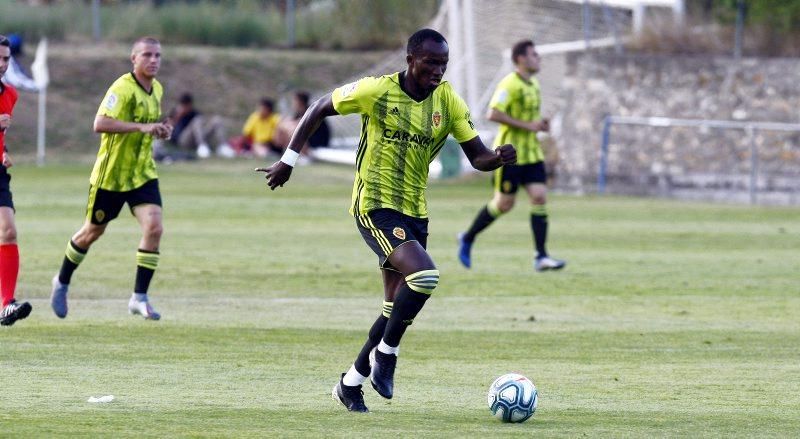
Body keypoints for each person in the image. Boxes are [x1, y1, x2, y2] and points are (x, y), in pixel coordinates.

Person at [256, 29, 516, 413]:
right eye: (430, 63)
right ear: (410, 59)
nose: (437, 71)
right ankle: (387, 355)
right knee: (425, 276)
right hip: (375, 205)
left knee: (394, 306)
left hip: (416, 211)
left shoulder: (448, 101)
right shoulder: (376, 90)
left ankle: (350, 382)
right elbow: (317, 108)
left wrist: (496, 157)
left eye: (443, 64)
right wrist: (288, 161)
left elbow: (476, 156)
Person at [50, 37, 172, 321]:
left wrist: (161, 130)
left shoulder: (157, 89)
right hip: (111, 177)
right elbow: (100, 123)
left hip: (142, 173)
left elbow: (148, 127)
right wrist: (143, 128)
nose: (154, 60)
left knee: (154, 227)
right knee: (92, 232)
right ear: (134, 58)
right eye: (147, 55)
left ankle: (139, 298)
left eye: (158, 55)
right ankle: (62, 281)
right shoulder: (122, 88)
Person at [457, 39, 566, 272]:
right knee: (504, 204)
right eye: (534, 55)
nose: (539, 58)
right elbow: (493, 113)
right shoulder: (510, 84)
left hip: (532, 153)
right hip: (510, 154)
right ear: (521, 59)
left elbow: (531, 122)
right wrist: (528, 125)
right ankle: (467, 237)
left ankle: (541, 256)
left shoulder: (534, 84)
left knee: (539, 196)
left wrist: (541, 125)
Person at [0, 34, 32, 326]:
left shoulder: (11, 93)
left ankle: (7, 304)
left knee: (8, 231)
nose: (2, 64)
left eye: (6, 59)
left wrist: (4, 151)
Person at [166, 92, 231, 158]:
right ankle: (202, 145)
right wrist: (178, 116)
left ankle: (223, 146)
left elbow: (202, 124)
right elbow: (168, 128)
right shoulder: (175, 113)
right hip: (183, 140)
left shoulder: (194, 113)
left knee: (217, 120)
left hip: (196, 139)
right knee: (196, 120)